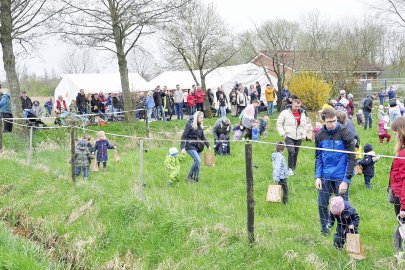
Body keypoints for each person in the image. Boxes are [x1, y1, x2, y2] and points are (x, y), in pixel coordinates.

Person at [315, 108, 355, 235]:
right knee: (322, 204)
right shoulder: (320, 135)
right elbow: (318, 157)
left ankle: (342, 231)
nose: (333, 124)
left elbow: (351, 158)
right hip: (325, 176)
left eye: (334, 121)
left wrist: (346, 180)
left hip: (340, 177)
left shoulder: (345, 132)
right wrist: (317, 176)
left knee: (342, 207)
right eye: (329, 122)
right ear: (323, 121)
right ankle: (325, 229)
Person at [276, 99, 307, 175]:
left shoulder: (303, 114)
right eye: (295, 106)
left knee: (296, 153)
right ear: (292, 104)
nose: (297, 108)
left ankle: (293, 169)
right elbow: (279, 123)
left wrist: (303, 135)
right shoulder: (285, 113)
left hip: (299, 136)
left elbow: (305, 125)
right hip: (288, 135)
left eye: (298, 106)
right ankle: (290, 169)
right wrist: (283, 134)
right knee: (291, 151)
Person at [389, 117, 405, 259]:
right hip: (398, 194)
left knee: (402, 227)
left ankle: (400, 253)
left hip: (401, 197)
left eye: (395, 132)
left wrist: (403, 207)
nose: (394, 135)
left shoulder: (403, 154)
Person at [180, 111, 210, 182]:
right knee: (198, 160)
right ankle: (189, 176)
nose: (202, 119)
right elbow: (184, 136)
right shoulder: (189, 124)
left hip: (198, 147)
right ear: (197, 117)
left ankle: (196, 179)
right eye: (201, 118)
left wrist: (208, 145)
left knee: (197, 164)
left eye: (203, 118)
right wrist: (182, 147)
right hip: (190, 146)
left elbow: (203, 137)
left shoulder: (199, 125)